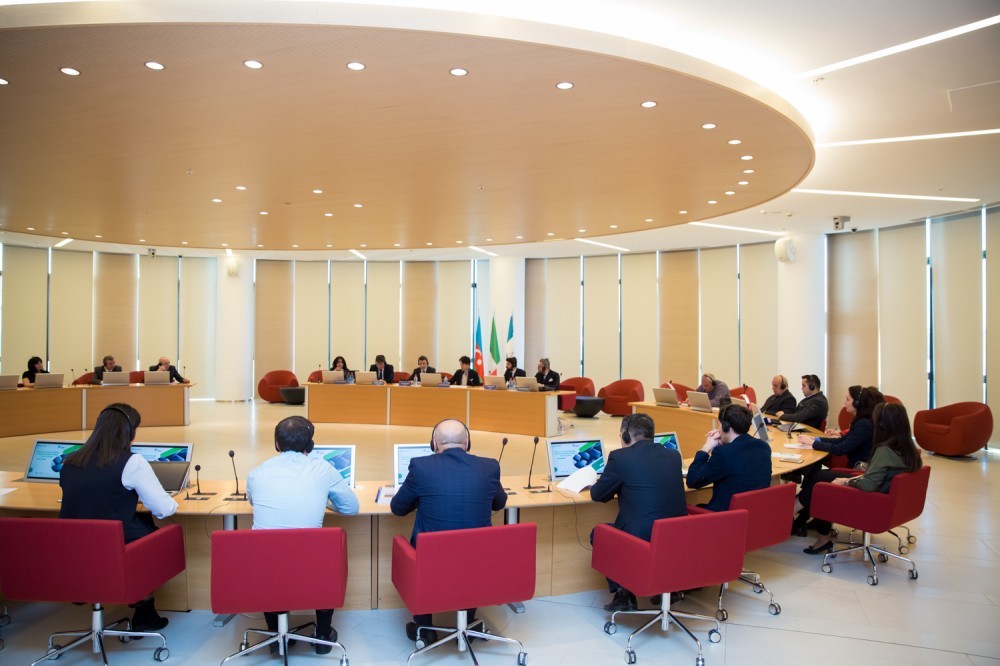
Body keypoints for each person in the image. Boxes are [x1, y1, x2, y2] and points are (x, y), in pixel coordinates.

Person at [58, 402, 178, 632]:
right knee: (154, 531)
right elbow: (164, 509)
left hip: (74, 553)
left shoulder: (69, 461)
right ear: (129, 433)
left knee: (142, 523)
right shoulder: (132, 462)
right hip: (115, 550)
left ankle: (140, 608)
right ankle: (144, 610)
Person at [247, 416, 359, 653]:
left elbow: (254, 502)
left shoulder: (257, 473)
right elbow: (351, 508)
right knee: (325, 555)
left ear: (276, 444)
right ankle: (323, 634)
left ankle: (276, 637)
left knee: (271, 559)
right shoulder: (323, 469)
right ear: (311, 445)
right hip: (309, 566)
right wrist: (324, 500)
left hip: (264, 568)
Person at [390, 419, 506, 643]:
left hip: (431, 563)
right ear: (468, 443)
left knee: (422, 541)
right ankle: (467, 626)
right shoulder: (489, 467)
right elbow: (499, 503)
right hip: (478, 562)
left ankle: (425, 629)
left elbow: (398, 508)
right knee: (471, 551)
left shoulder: (421, 467)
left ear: (434, 444)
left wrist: (422, 497)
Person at [590, 413, 687, 611]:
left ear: (626, 435)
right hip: (674, 538)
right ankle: (667, 588)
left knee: (598, 533)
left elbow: (598, 495)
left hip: (641, 540)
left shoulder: (620, 457)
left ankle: (624, 595)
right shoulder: (673, 456)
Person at [802, 402, 922, 555]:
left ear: (881, 425)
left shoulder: (884, 450)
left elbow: (868, 485)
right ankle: (799, 515)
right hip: (890, 498)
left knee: (821, 486)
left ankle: (822, 539)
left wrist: (845, 481)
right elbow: (883, 474)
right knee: (823, 475)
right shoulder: (908, 448)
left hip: (872, 500)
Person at [790, 386, 883, 544]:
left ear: (858, 403)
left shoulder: (865, 425)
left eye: (847, 399)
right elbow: (841, 441)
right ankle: (801, 518)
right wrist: (815, 440)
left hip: (860, 473)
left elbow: (841, 448)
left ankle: (794, 513)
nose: (844, 403)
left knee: (819, 477)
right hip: (856, 469)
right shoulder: (861, 422)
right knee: (815, 473)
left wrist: (814, 444)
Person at [685, 404, 772, 512]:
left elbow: (692, 481)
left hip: (726, 517)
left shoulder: (723, 453)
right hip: (754, 513)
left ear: (726, 426)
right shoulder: (763, 447)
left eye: (719, 425)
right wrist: (725, 443)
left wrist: (705, 448)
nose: (718, 429)